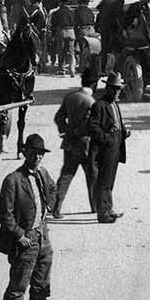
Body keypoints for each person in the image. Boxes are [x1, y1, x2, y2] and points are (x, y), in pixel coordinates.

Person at [0, 133, 66, 300]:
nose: (37, 157)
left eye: (40, 154)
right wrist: (19, 235)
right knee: (18, 285)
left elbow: (53, 189)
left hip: (43, 237)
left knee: (41, 285)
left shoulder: (43, 174)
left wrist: (51, 207)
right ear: (25, 153)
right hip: (25, 241)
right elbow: (5, 214)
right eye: (33, 153)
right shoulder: (12, 180)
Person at [50, 72, 97, 217]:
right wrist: (78, 133)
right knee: (92, 176)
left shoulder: (70, 97)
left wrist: (66, 132)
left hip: (70, 144)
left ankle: (56, 208)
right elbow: (89, 124)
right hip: (86, 145)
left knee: (66, 175)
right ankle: (95, 207)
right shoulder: (92, 102)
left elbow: (58, 117)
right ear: (94, 84)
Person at [87, 71, 129, 223]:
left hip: (116, 148)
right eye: (115, 89)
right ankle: (102, 214)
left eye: (119, 89)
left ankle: (108, 208)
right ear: (108, 89)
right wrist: (106, 138)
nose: (118, 92)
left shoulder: (115, 105)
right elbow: (93, 127)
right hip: (105, 149)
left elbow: (118, 123)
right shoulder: (99, 105)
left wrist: (124, 132)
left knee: (110, 180)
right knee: (103, 181)